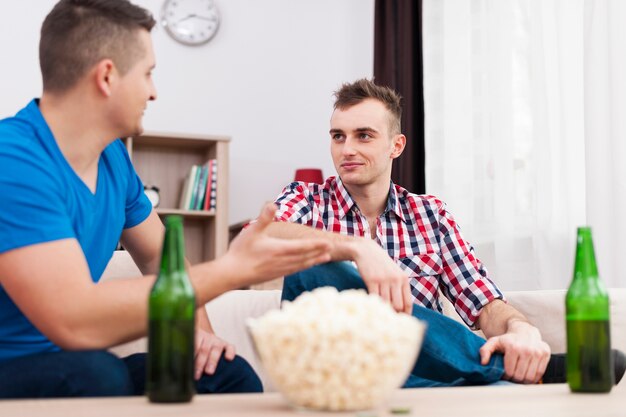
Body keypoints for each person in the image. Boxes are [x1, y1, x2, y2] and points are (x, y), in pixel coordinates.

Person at [0, 0, 331, 399]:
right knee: (99, 374)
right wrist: (233, 269)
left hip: (74, 362)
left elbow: (161, 259)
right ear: (107, 76)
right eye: (148, 74)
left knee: (225, 374)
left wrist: (200, 337)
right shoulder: (13, 158)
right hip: (23, 363)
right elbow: (75, 321)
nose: (153, 93)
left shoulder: (113, 159)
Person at [263, 78, 560, 387]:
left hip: (420, 380)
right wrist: (356, 249)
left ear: (397, 145)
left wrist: (520, 330)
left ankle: (502, 372)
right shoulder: (306, 200)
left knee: (504, 395)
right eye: (338, 136)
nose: (347, 149)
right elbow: (258, 238)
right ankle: (501, 367)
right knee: (312, 264)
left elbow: (484, 304)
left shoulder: (431, 215)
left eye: (363, 136)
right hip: (338, 376)